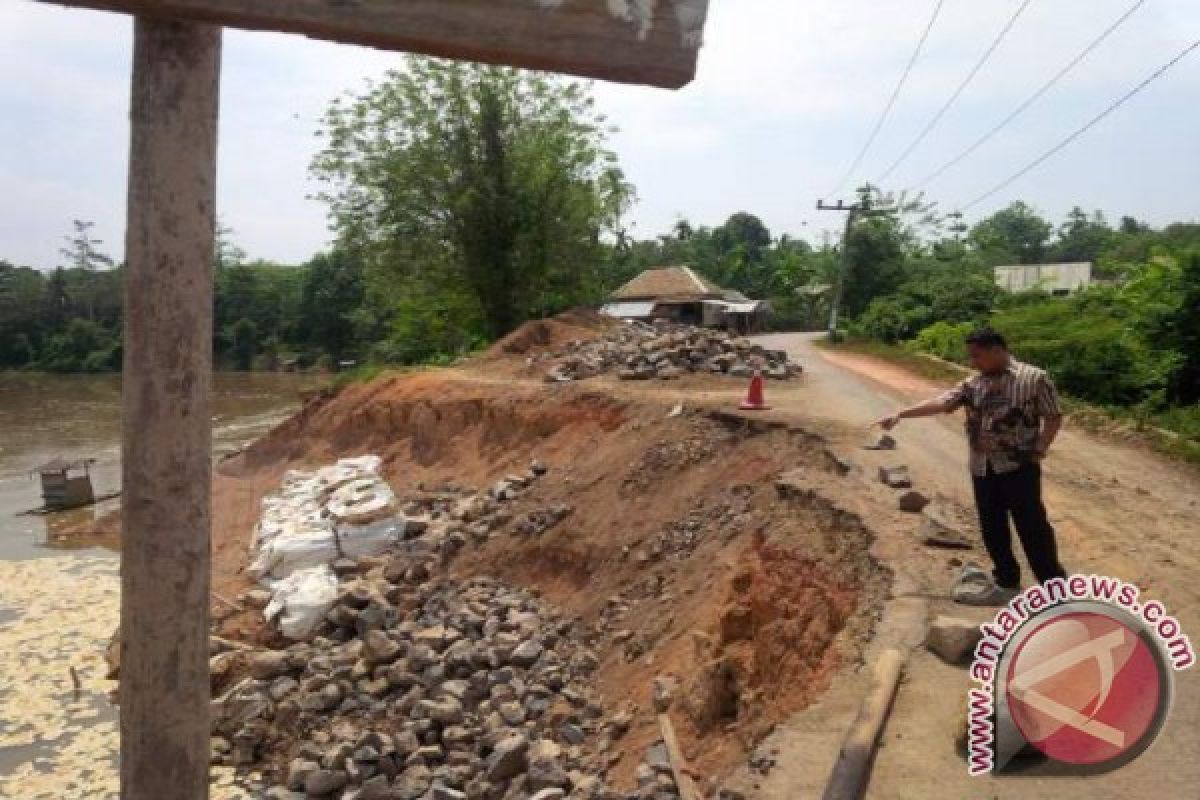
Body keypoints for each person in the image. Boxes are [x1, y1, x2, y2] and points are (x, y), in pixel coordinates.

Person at [876, 328, 1066, 605]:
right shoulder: (974, 384)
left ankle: (1054, 589)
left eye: (977, 355)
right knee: (992, 526)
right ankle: (1006, 581)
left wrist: (1041, 448)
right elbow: (942, 402)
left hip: (1018, 467)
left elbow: (1053, 416)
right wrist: (901, 414)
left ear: (996, 350)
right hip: (982, 467)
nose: (973, 362)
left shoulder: (1033, 378)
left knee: (1032, 526)